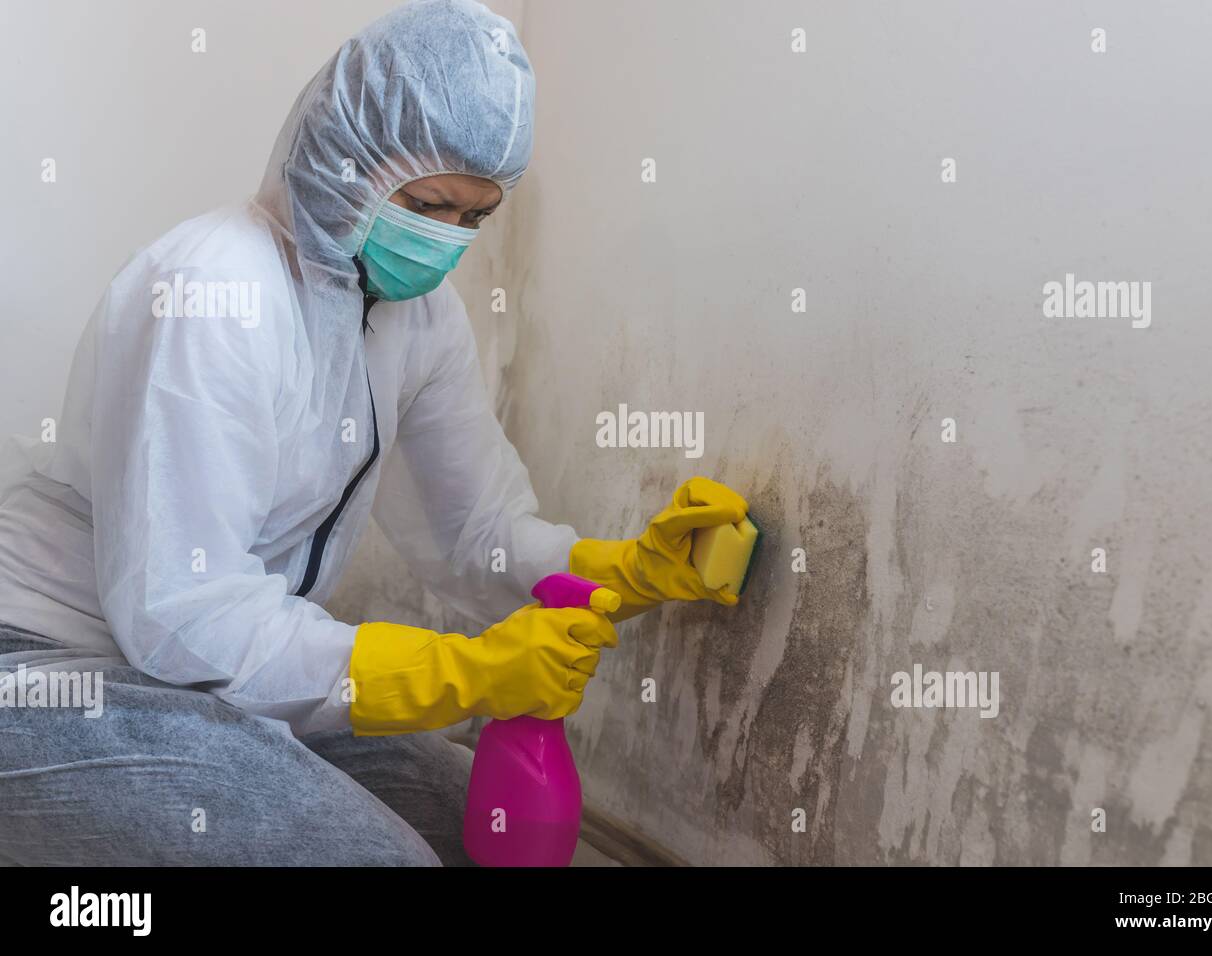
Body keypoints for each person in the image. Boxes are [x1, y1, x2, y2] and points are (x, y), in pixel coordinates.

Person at [0, 0, 746, 866]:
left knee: (485, 820)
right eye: (429, 203)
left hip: (208, 687)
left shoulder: (416, 317)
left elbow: (474, 533)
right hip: (54, 670)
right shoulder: (213, 292)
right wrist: (460, 673)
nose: (446, 241)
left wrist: (622, 572)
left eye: (475, 217)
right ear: (346, 158)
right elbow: (182, 615)